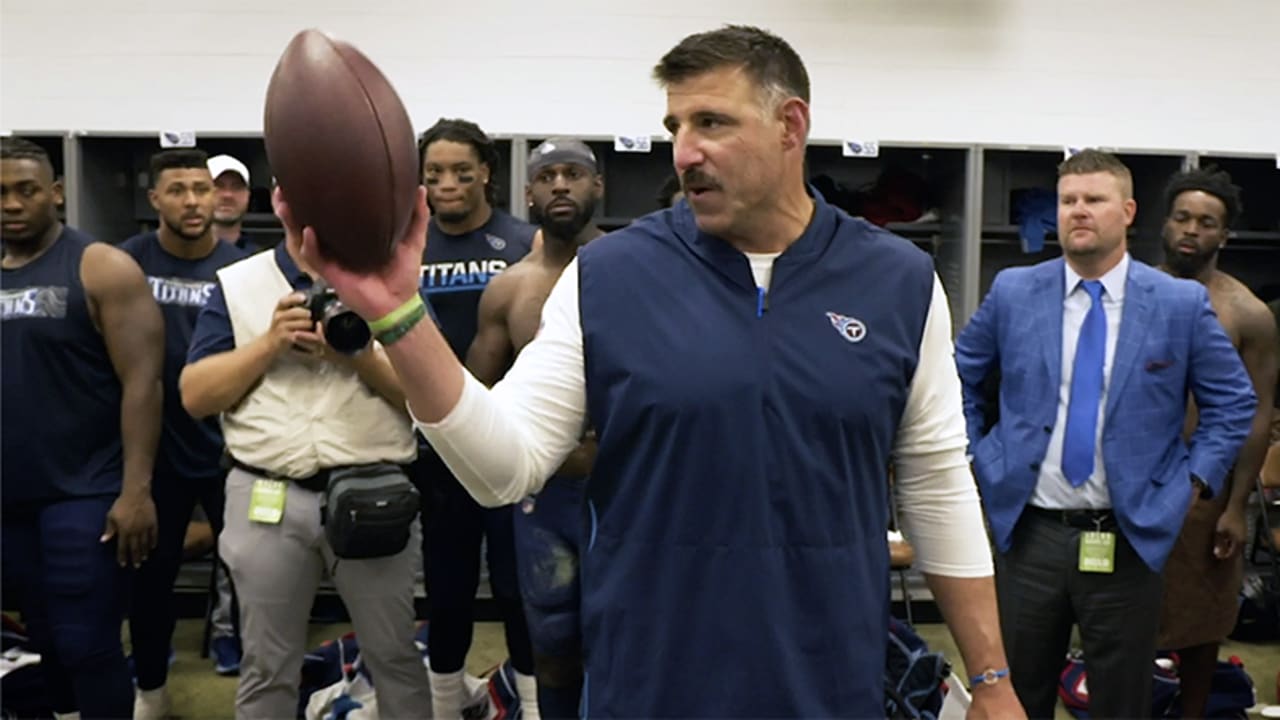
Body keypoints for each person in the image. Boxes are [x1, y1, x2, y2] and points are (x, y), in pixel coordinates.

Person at [285, 26, 1023, 718]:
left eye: (713, 123)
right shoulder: (608, 276)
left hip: (830, 674)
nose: (684, 152)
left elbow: (934, 481)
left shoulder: (897, 280)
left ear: (790, 125)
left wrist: (989, 679)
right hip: (651, 675)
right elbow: (503, 468)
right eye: (676, 128)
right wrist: (398, 317)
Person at [954, 149, 1257, 718]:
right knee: (1017, 694)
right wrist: (981, 456)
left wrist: (1192, 482)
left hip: (1129, 533)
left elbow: (1233, 402)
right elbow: (957, 378)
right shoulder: (1014, 291)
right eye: (1068, 200)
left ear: (1128, 211)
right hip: (1029, 532)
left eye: (1093, 200)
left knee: (1121, 700)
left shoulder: (1177, 303)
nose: (1078, 211)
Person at [179, 187, 433, 720]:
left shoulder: (389, 278)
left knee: (395, 657)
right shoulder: (238, 283)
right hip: (266, 493)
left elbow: (430, 398)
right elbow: (196, 396)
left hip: (374, 492)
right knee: (267, 665)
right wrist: (268, 343)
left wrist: (358, 357)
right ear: (279, 201)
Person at [1, 136, 163, 719]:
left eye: (26, 190)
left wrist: (135, 490)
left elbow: (143, 382)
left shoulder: (101, 266)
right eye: (1, 193)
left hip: (87, 490)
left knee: (86, 641)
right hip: (11, 496)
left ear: (57, 192)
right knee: (43, 641)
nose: (12, 203)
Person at [466, 138, 604, 719]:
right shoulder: (510, 288)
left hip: (624, 492)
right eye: (548, 176)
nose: (561, 186)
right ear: (528, 192)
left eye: (575, 175)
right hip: (544, 499)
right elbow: (476, 396)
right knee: (553, 648)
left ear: (599, 188)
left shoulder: (635, 273)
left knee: (629, 640)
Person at [415, 117, 540, 717]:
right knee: (447, 586)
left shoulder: (523, 243)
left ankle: (533, 702)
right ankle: (446, 702)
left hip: (512, 439)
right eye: (435, 173)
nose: (448, 184)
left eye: (462, 172)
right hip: (437, 448)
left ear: (487, 173)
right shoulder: (405, 246)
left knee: (519, 586)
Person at [119, 148, 250, 717]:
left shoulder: (243, 269)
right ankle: (151, 675)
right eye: (178, 190)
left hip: (230, 450)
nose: (194, 201)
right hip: (155, 450)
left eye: (202, 189)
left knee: (248, 567)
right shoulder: (127, 264)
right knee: (150, 574)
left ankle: (235, 642)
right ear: (155, 200)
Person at [1154, 167, 1277, 717]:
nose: (1191, 230)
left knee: (1202, 621)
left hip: (1205, 494)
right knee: (1128, 617)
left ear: (1223, 236)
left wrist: (1235, 508)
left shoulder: (1248, 313)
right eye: (1183, 217)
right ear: (1164, 223)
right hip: (1134, 482)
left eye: (1207, 222)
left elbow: (1256, 413)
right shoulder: (1133, 292)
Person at [208, 154, 258, 252]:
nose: (228, 195)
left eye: (237, 187)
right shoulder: (182, 256)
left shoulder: (261, 260)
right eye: (218, 186)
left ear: (248, 195)